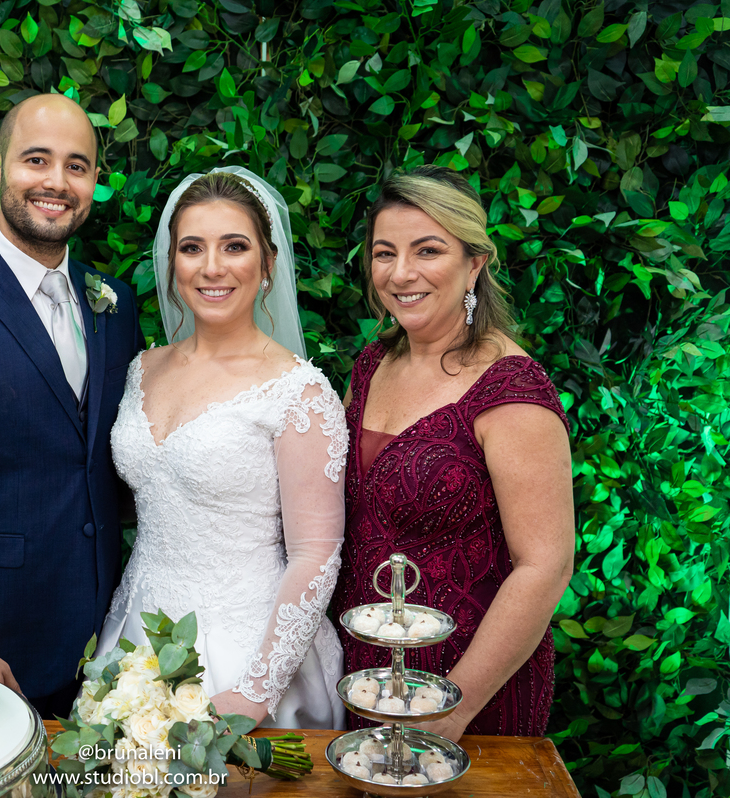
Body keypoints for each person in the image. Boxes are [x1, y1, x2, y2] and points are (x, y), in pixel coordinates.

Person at [0, 93, 144, 720]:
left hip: (111, 640)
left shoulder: (115, 305)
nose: (56, 182)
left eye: (77, 165)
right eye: (36, 159)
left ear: (95, 180)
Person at [94, 168, 347, 729]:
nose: (212, 267)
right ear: (172, 263)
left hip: (247, 652)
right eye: (192, 248)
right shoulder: (142, 368)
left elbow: (317, 554)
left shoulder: (298, 393)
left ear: (267, 265)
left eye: (234, 246)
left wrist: (255, 693)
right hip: (134, 639)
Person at [332, 165, 574, 738]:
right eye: (384, 253)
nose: (401, 273)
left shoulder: (511, 389)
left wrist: (454, 707)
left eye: (428, 250)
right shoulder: (371, 366)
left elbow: (545, 566)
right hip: (364, 673)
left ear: (475, 263)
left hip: (470, 688)